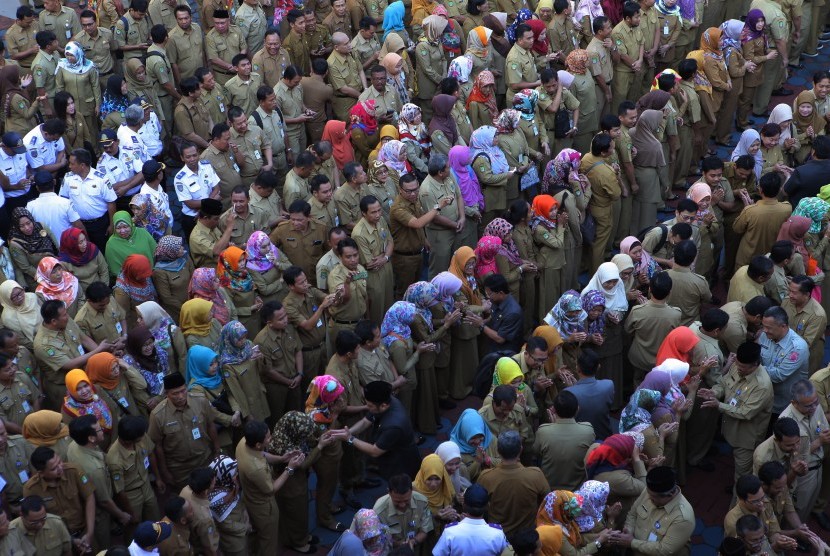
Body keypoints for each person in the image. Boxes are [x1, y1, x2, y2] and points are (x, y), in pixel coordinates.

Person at [698, 342, 774, 481]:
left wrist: (718, 405)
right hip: (731, 429)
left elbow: (746, 412)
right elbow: (723, 383)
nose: (738, 368)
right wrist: (713, 392)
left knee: (742, 477)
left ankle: (737, 500)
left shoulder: (762, 386)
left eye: (743, 367)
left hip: (746, 439)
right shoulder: (738, 365)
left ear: (755, 364)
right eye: (737, 364)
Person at [236, 420, 303, 556]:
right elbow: (271, 489)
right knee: (269, 541)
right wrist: (290, 468)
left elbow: (262, 455)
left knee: (255, 536)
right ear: (258, 444)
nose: (271, 438)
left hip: (248, 498)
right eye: (268, 437)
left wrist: (282, 459)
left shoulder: (243, 442)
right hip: (264, 509)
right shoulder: (256, 469)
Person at [148, 372, 219, 491]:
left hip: (205, 459)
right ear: (166, 394)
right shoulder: (158, 415)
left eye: (183, 391)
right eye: (175, 393)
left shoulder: (200, 401)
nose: (181, 396)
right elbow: (157, 446)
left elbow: (210, 425)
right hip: (180, 470)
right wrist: (164, 472)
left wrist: (217, 451)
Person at [66, 414, 128, 549]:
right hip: (99, 513)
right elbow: (104, 501)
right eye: (100, 429)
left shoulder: (74, 444)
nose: (103, 431)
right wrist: (121, 515)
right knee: (104, 544)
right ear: (91, 438)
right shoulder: (94, 469)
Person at [23, 446, 96, 553]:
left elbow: (89, 497)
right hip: (57, 540)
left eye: (59, 462)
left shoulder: (74, 471)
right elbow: (40, 520)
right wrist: (70, 540)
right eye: (53, 468)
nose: (60, 467)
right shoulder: (31, 489)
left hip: (84, 531)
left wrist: (90, 532)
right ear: (41, 473)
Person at [608, 466, 695, 554]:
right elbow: (632, 514)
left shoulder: (683, 518)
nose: (648, 499)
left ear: (670, 494)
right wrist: (628, 531)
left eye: (653, 498)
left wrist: (632, 542)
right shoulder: (650, 491)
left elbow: (664, 550)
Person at [533, 390, 595, 491]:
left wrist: (552, 426)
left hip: (551, 490)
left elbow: (536, 452)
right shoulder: (588, 430)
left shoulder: (543, 431)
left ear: (554, 411)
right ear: (577, 409)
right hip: (577, 490)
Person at [733, 172, 793, 268]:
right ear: (779, 190)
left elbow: (737, 229)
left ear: (760, 190)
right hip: (770, 258)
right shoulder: (787, 208)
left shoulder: (750, 211)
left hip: (748, 256)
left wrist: (747, 208)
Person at [432, 483, 509, 555]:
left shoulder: (450, 532)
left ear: (464, 505)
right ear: (487, 506)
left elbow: (437, 553)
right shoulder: (497, 533)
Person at [8, 208, 58, 291]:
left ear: (32, 220)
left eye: (28, 223)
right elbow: (26, 268)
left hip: (55, 269)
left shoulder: (41, 227)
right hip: (37, 278)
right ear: (17, 226)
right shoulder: (15, 243)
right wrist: (46, 276)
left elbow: (56, 246)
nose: (27, 228)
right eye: (22, 226)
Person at [104, 212, 157, 279]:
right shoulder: (111, 244)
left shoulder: (142, 233)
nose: (122, 231)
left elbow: (155, 252)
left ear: (131, 224)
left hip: (151, 274)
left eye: (125, 226)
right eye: (118, 228)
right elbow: (114, 269)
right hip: (129, 281)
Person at [58, 229, 108, 295]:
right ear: (72, 245)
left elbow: (104, 270)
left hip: (101, 289)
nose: (85, 244)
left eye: (85, 239)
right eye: (80, 242)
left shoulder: (92, 250)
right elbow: (69, 286)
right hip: (82, 294)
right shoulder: (64, 262)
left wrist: (103, 289)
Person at [0, 281, 42, 352]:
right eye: (14, 297)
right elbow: (22, 340)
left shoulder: (32, 297)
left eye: (20, 292)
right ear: (7, 299)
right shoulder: (7, 318)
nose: (20, 297)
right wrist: (41, 347)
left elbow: (46, 313)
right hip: (38, 344)